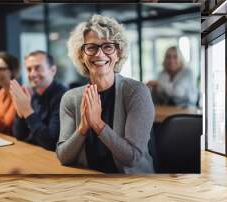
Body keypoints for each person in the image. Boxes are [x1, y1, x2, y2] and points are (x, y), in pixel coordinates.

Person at [56, 15, 154, 174]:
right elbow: (63, 157)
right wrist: (82, 128)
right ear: (81, 55)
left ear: (118, 53)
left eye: (108, 46)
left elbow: (132, 158)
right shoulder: (70, 98)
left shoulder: (136, 92)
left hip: (133, 186)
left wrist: (97, 124)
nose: (99, 54)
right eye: (91, 47)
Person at [10, 51, 67, 151]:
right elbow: (19, 135)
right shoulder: (33, 96)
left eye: (38, 68)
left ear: (52, 70)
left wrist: (27, 111)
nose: (32, 73)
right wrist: (19, 112)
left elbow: (51, 143)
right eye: (29, 69)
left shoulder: (63, 97)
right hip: (33, 154)